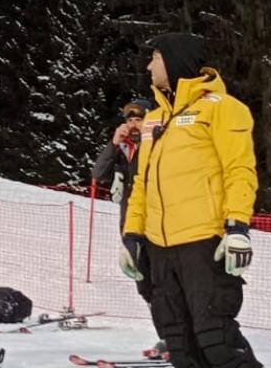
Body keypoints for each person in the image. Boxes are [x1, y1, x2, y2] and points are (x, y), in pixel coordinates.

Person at [119, 32, 262, 368]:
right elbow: (141, 184)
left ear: (174, 59)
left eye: (155, 57)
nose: (149, 65)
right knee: (180, 345)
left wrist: (237, 227)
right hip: (159, 249)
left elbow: (239, 170)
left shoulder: (224, 109)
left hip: (203, 244)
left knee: (217, 340)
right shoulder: (153, 119)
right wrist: (132, 236)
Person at [93, 97, 164, 359]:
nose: (134, 125)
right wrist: (114, 144)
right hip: (130, 228)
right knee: (144, 286)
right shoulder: (124, 149)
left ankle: (176, 337)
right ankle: (167, 336)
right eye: (130, 120)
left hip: (157, 225)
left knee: (164, 284)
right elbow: (98, 174)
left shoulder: (157, 144)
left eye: (139, 119)